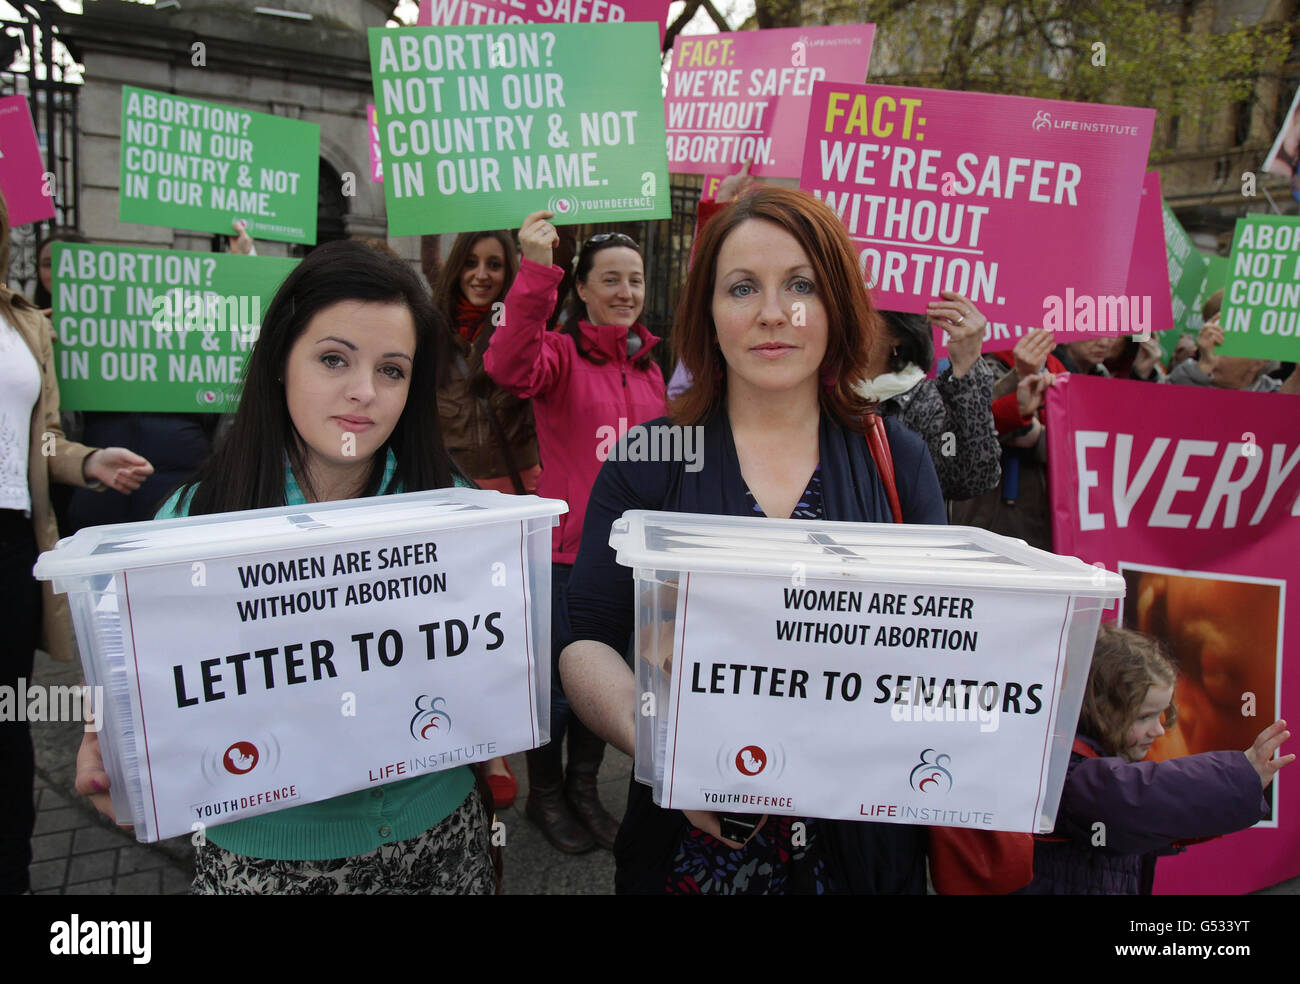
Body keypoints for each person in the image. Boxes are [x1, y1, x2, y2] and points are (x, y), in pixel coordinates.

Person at [74, 240, 495, 895]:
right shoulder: (193, 517)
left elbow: (487, 670)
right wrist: (106, 734)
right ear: (279, 362)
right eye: (333, 359)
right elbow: (136, 666)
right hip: (266, 853)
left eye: (392, 370)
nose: (363, 392)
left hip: (440, 836)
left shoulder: (459, 512)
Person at [559, 187, 946, 894]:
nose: (774, 312)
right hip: (689, 856)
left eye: (800, 284)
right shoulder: (650, 460)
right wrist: (667, 748)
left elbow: (938, 645)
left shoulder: (900, 458)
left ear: (838, 303)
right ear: (708, 312)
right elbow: (587, 639)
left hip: (860, 852)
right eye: (743, 287)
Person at [484, 212, 668, 854]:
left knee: (610, 680)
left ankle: (586, 791)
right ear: (582, 290)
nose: (626, 292)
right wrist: (536, 270)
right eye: (611, 280)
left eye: (637, 280)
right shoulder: (558, 356)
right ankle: (547, 797)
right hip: (567, 556)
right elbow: (506, 364)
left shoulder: (652, 369)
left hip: (635, 560)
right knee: (560, 688)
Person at [0, 191, 152, 895]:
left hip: (8, 540)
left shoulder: (23, 323)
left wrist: (86, 461)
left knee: (9, 718)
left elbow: (46, 436)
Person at [1023, 624, 1291, 894]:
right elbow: (1132, 797)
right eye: (1143, 717)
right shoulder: (1065, 773)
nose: (1159, 730)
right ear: (1098, 708)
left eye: (1159, 715)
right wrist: (1238, 777)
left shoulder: (1084, 765)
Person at [433, 229, 538, 808]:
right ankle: (454, 737)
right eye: (471, 262)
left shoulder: (522, 330)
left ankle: (493, 748)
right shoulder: (426, 333)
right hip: (452, 497)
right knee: (454, 629)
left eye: (495, 264)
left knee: (501, 629)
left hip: (514, 491)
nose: (481, 274)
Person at [855, 299, 1000, 501]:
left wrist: (965, 368)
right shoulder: (814, 394)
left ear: (896, 334)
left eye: (858, 314)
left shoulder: (926, 400)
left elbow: (972, 478)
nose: (842, 326)